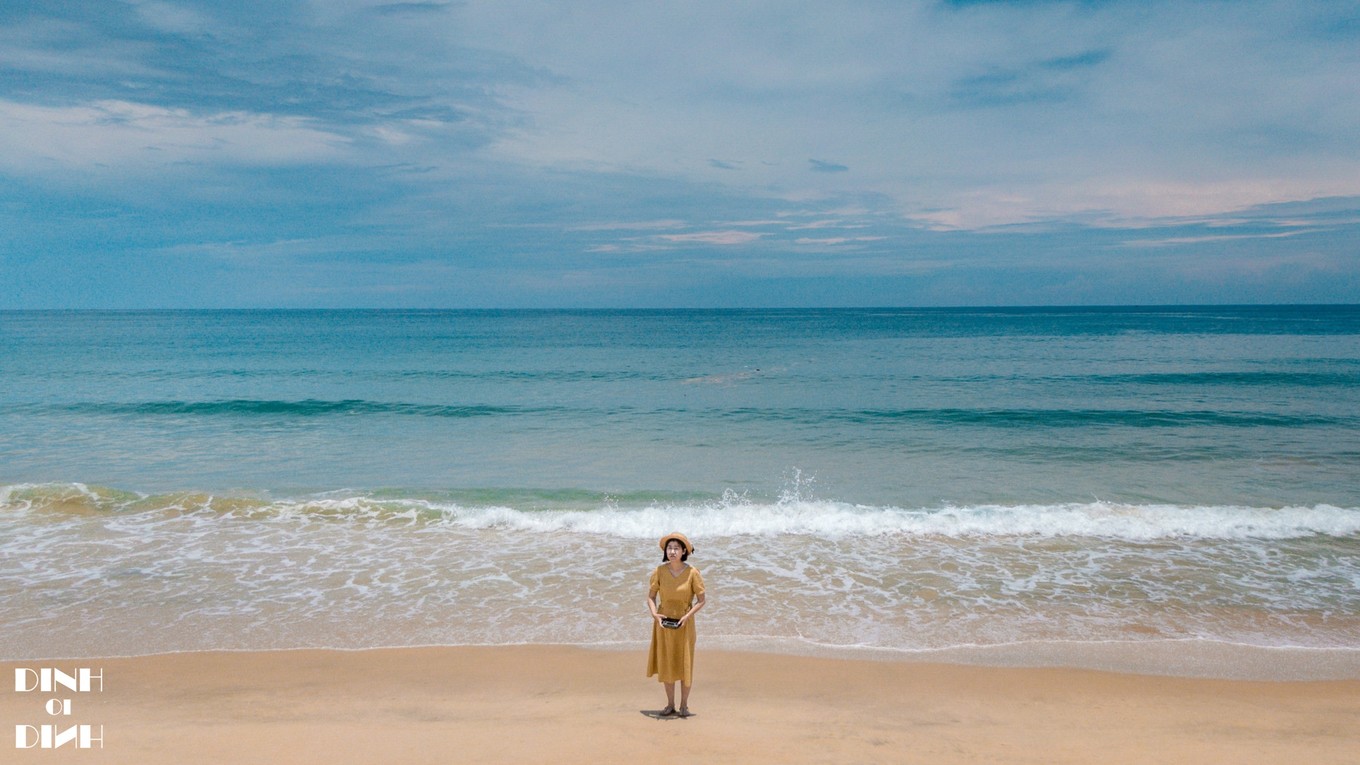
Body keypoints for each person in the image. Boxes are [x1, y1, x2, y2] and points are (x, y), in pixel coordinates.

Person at [645, 532, 706, 718]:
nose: (672, 551)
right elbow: (651, 596)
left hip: (685, 624)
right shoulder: (659, 571)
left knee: (685, 663)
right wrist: (655, 614)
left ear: (683, 551)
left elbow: (702, 600)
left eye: (676, 548)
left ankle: (684, 706)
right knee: (668, 663)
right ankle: (670, 705)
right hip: (663, 624)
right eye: (669, 548)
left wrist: (687, 616)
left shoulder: (692, 573)